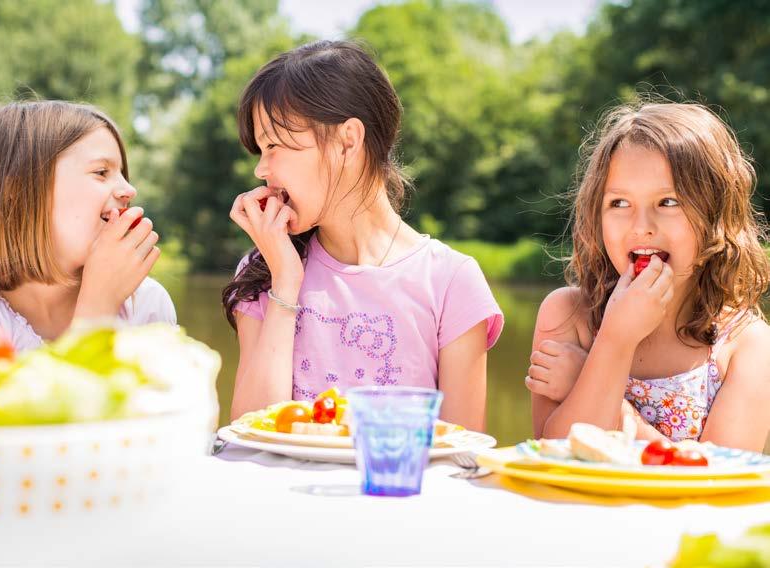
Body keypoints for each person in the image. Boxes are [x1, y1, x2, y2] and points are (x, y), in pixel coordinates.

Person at [223, 40, 504, 431]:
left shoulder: (451, 281)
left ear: (347, 141)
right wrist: (285, 283)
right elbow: (251, 434)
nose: (261, 170)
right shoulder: (265, 270)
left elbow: (460, 454)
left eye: (273, 145)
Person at [526, 101, 770, 452]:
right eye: (619, 203)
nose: (641, 228)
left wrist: (591, 380)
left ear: (716, 213)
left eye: (668, 202)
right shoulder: (567, 315)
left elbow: (713, 482)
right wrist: (614, 339)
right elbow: (556, 459)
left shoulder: (747, 345)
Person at [0, 100, 176, 350]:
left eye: (122, 173)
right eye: (101, 172)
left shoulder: (147, 305)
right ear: (17, 190)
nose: (129, 189)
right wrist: (98, 308)